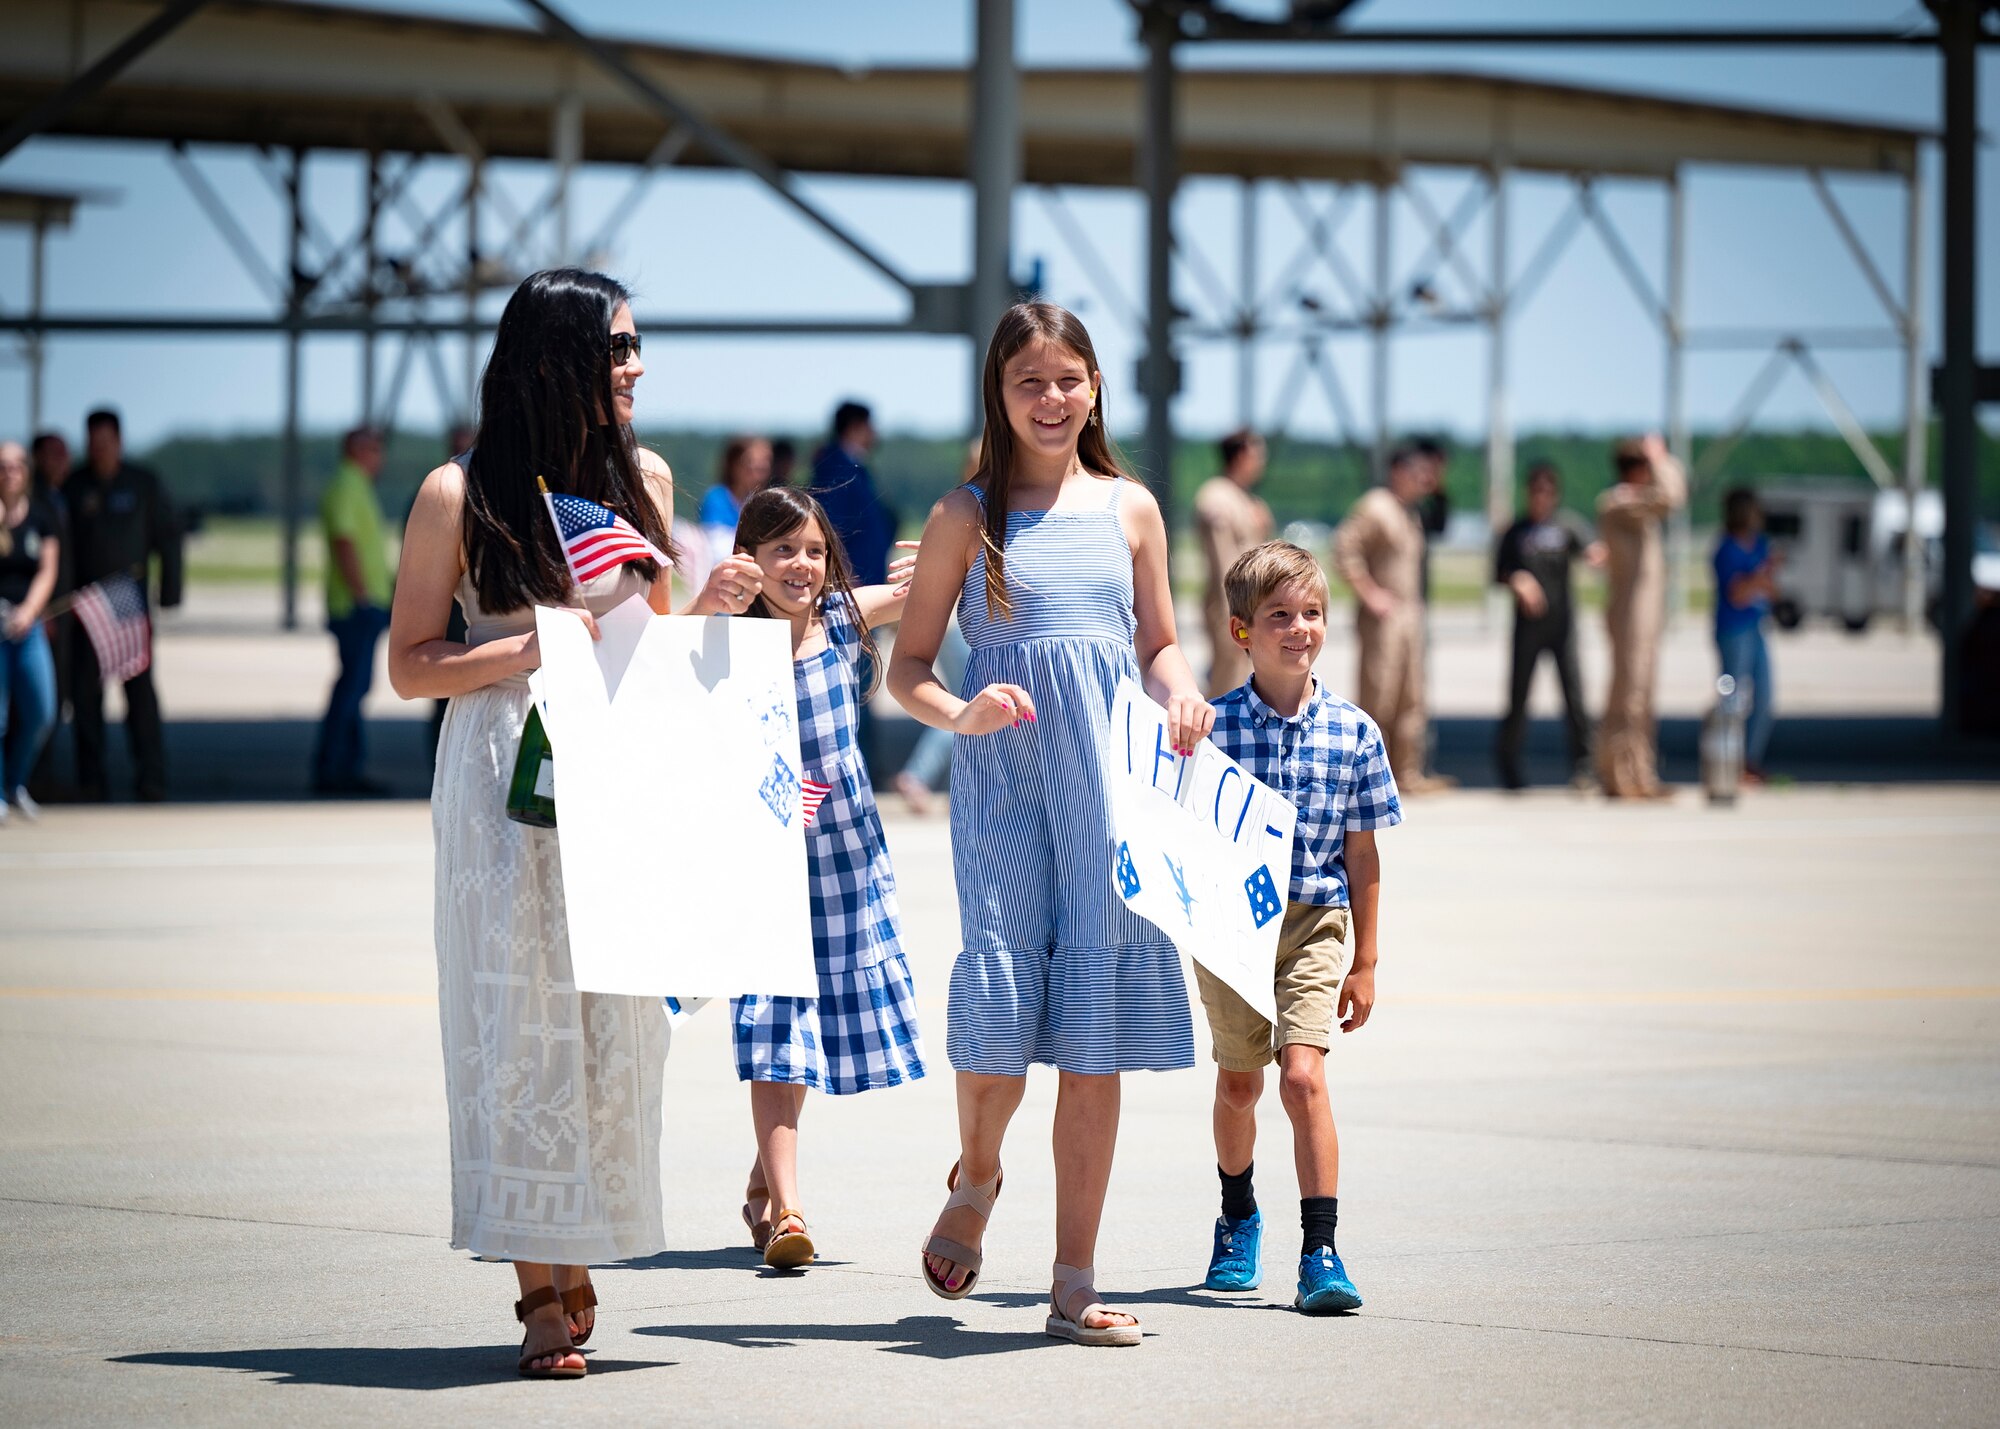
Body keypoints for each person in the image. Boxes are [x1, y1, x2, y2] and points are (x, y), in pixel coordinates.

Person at [386, 268, 763, 1380]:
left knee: (612, 1023)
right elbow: (409, 666)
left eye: (637, 346)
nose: (636, 365)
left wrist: (713, 614)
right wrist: (530, 646)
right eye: (617, 348)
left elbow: (643, 636)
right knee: (517, 1020)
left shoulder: (639, 476)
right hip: (505, 771)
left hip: (618, 764)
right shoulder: (457, 493)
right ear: (558, 359)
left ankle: (580, 1229)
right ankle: (536, 1286)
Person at [891, 300, 1212, 1348]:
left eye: (1066, 378)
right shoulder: (964, 516)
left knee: (1092, 1034)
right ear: (999, 392)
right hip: (1002, 787)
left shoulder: (1132, 508)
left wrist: (1182, 692)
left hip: (1108, 793)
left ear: (1094, 388)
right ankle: (977, 1171)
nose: (1049, 398)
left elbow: (1158, 643)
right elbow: (907, 667)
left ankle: (1072, 1280)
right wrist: (960, 712)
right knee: (993, 1024)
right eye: (1027, 380)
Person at [727, 486, 926, 1270]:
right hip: (763, 861)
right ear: (750, 558)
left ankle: (760, 1184)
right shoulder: (724, 641)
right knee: (777, 1028)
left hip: (844, 857)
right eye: (782, 550)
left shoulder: (844, 616)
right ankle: (787, 1211)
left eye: (813, 549)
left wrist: (952, 554)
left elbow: (930, 588)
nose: (801, 565)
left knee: (808, 1037)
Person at [1198, 540, 1399, 1314]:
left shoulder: (1354, 732)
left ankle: (1321, 1248)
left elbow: (1363, 851)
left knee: (1304, 1075)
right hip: (1229, 927)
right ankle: (1238, 1213)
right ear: (1242, 629)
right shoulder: (1210, 726)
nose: (1299, 628)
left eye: (1311, 612)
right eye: (1279, 615)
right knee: (1240, 1082)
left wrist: (1366, 960)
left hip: (1317, 919)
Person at [67, 408, 180, 803]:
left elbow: (168, 538)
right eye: (93, 442)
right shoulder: (75, 487)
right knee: (84, 697)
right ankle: (91, 780)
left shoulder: (143, 484)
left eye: (106, 441)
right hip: (85, 607)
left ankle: (151, 776)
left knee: (141, 697)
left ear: (119, 441)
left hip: (129, 604)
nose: (100, 450)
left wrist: (170, 593)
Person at [1331, 444, 1444, 793]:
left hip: (1409, 615)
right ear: (1397, 471)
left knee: (1411, 695)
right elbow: (1345, 550)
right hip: (1383, 618)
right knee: (1380, 692)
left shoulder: (1410, 512)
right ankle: (1369, 775)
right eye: (1416, 473)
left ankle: (1407, 772)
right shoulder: (1375, 507)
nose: (1423, 480)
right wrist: (1370, 593)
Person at [1493, 462, 1603, 790]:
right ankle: (1508, 765)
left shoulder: (1567, 527)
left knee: (1575, 697)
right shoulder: (1515, 531)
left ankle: (1585, 766)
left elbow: (1593, 553)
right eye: (1536, 490)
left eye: (1547, 491)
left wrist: (1602, 554)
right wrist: (1518, 579)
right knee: (1519, 698)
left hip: (1562, 625)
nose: (1542, 497)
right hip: (1527, 627)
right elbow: (1497, 572)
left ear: (1555, 494)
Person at [1596, 434, 1687, 800]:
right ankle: (1619, 775)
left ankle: (1642, 773)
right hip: (1629, 613)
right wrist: (1662, 459)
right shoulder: (1619, 502)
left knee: (1644, 695)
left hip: (1645, 616)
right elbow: (1672, 496)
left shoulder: (1639, 508)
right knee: (1628, 695)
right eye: (1647, 468)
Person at [313, 427, 393, 795]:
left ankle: (345, 767)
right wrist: (362, 595)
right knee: (352, 688)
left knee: (355, 687)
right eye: (375, 450)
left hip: (366, 603)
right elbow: (344, 542)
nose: (380, 458)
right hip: (355, 606)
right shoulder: (347, 485)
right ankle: (334, 768)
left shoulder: (356, 485)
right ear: (358, 452)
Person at [0, 442, 61, 824]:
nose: (9, 473)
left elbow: (48, 569)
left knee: (41, 711)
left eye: (15, 466)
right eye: (2, 467)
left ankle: (14, 782)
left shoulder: (41, 516)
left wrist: (29, 611)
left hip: (26, 626)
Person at [1192, 428, 1274, 697]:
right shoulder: (1216, 497)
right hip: (1231, 605)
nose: (1262, 460)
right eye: (1257, 453)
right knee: (1227, 685)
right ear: (1241, 456)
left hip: (1251, 603)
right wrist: (1237, 611)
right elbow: (1224, 563)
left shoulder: (1246, 499)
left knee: (1247, 681)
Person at [1713, 487, 1778, 783]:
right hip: (1732, 629)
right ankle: (1728, 759)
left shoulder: (1759, 545)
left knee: (1764, 696)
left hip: (1755, 625)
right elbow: (1737, 594)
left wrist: (1759, 580)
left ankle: (1749, 760)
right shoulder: (1726, 549)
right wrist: (1759, 580)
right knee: (1732, 696)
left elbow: (1772, 589)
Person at [26, 432, 74, 803]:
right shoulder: (33, 504)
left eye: (64, 453)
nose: (60, 461)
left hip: (67, 611)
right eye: (52, 454)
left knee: (56, 700)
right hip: (38, 615)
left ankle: (38, 775)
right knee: (34, 703)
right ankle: (27, 777)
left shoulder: (66, 495)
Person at [810, 401, 893, 586]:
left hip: (864, 579)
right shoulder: (837, 468)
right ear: (854, 427)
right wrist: (846, 576)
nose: (874, 433)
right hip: (851, 585)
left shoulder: (854, 467)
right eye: (869, 426)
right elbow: (830, 528)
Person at [700, 435, 773, 561]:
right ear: (734, 465)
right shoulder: (717, 498)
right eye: (751, 466)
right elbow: (715, 545)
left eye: (763, 467)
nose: (758, 475)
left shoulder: (766, 503)